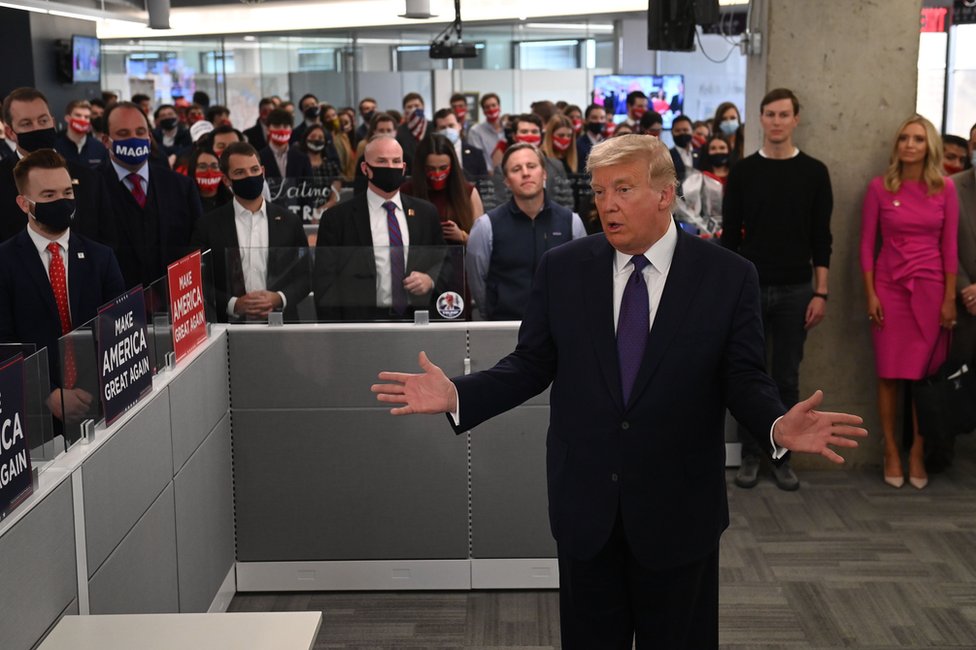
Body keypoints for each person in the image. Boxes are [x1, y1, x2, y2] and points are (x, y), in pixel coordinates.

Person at [371, 134, 866, 649]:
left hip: (679, 512)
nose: (607, 204)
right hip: (587, 510)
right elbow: (531, 364)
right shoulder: (563, 269)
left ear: (664, 194)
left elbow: (743, 377)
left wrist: (775, 424)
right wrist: (459, 395)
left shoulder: (727, 276)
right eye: (600, 191)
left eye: (623, 189)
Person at [722, 88, 833, 492]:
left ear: (796, 119)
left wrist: (821, 293)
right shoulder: (744, 172)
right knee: (747, 374)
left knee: (786, 376)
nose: (776, 122)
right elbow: (729, 238)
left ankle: (782, 456)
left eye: (783, 114)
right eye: (769, 114)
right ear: (761, 119)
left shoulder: (814, 172)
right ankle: (751, 453)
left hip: (795, 289)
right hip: (749, 287)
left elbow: (822, 238)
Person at [860, 115, 958, 490]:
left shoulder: (944, 188)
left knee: (923, 378)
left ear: (928, 145)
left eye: (918, 138)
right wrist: (870, 293)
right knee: (888, 375)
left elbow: (949, 248)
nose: (910, 144)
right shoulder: (879, 188)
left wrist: (949, 299)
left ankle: (917, 450)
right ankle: (890, 451)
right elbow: (868, 245)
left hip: (932, 292)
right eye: (904, 137)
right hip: (888, 289)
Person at [0, 149, 124, 422]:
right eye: (48, 195)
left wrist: (96, 388)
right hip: (32, 414)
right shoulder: (4, 262)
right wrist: (47, 393)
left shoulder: (101, 258)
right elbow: (4, 342)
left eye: (67, 193)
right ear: (24, 203)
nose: (62, 201)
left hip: (100, 401)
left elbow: (118, 328)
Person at [313, 135, 447, 321]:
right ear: (365, 168)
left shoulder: (426, 213)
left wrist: (430, 279)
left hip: (416, 321)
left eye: (396, 161)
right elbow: (324, 282)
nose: (390, 167)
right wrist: (334, 332)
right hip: (360, 325)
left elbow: (443, 259)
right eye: (382, 161)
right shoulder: (337, 219)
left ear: (404, 167)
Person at [191, 141, 310, 323]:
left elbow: (306, 274)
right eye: (240, 172)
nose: (249, 176)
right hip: (228, 329)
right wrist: (234, 304)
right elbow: (198, 279)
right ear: (226, 180)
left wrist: (278, 298)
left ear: (263, 171)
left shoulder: (289, 221)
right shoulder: (208, 225)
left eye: (254, 170)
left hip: (283, 326)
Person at [468, 142, 586, 320]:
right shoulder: (486, 227)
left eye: (531, 166)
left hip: (560, 329)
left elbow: (581, 277)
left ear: (544, 173)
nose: (525, 173)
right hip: (504, 328)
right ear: (507, 181)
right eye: (516, 169)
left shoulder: (571, 222)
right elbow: (478, 283)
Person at [97, 101, 203, 288]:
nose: (133, 138)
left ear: (149, 136)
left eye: (140, 132)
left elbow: (196, 246)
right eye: (123, 134)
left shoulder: (181, 186)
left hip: (174, 301)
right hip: (117, 306)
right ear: (106, 141)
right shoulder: (92, 188)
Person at [1, 87, 114, 247]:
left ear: (53, 122)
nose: (37, 128)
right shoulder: (3, 178)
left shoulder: (90, 179)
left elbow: (106, 240)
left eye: (43, 121)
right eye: (26, 124)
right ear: (10, 132)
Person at [400, 134, 483, 245]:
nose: (438, 173)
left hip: (458, 258)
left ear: (452, 166)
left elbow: (481, 242)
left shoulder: (468, 192)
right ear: (421, 167)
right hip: (419, 259)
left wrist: (462, 236)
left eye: (443, 168)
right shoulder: (406, 192)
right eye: (431, 168)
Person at [674, 136, 728, 239]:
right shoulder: (697, 178)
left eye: (722, 148)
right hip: (708, 234)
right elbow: (690, 212)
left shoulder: (737, 175)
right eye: (713, 148)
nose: (718, 151)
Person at [258, 108, 313, 181]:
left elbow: (309, 186)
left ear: (291, 129)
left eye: (285, 126)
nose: (282, 130)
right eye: (277, 126)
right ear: (268, 130)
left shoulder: (302, 158)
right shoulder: (259, 158)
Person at [432, 108, 488, 180]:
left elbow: (484, 182)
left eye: (451, 126)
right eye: (443, 128)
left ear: (459, 126)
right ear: (436, 131)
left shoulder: (476, 154)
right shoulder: (430, 155)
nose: (448, 130)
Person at [300, 124, 342, 218]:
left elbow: (334, 198)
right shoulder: (298, 165)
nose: (317, 139)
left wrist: (319, 212)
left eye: (320, 137)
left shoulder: (332, 167)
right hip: (300, 214)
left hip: (326, 215)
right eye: (313, 136)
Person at [55, 99, 109, 169]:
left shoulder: (99, 148)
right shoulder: (55, 147)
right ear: (67, 118)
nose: (82, 120)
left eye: (86, 117)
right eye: (78, 115)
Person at [540, 114, 579, 209]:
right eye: (561, 135)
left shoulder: (570, 158)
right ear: (550, 135)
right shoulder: (542, 158)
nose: (565, 139)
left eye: (569, 136)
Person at [467, 93, 505, 172]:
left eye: (494, 105)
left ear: (499, 107)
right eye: (487, 107)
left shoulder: (508, 128)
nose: (491, 109)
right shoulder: (475, 131)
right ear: (483, 111)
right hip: (488, 175)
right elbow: (477, 157)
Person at [188, 146, 231, 213]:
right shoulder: (184, 203)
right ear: (193, 170)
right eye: (202, 167)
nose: (209, 172)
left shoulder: (232, 201)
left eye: (214, 166)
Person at [396, 92, 430, 169]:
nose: (413, 109)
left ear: (423, 107)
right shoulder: (400, 131)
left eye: (417, 106)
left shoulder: (432, 127)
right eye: (409, 107)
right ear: (404, 110)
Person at [577, 103, 607, 172]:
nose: (599, 121)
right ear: (586, 120)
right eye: (594, 118)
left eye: (602, 118)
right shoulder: (578, 144)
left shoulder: (609, 143)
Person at [713, 101, 743, 165]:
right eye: (724, 119)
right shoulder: (712, 144)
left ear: (738, 120)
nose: (729, 122)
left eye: (733, 118)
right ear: (718, 122)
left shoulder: (745, 143)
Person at [669, 114, 698, 181]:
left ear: (692, 131)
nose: (682, 133)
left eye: (685, 130)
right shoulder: (667, 156)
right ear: (672, 133)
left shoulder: (701, 154)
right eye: (677, 131)